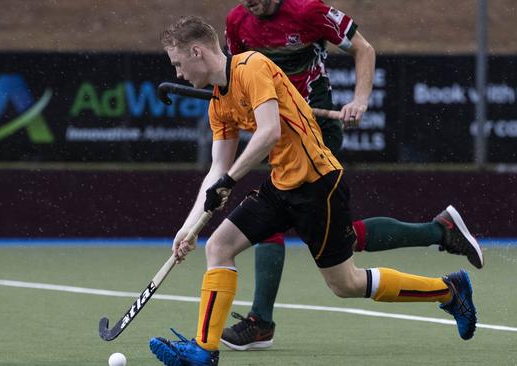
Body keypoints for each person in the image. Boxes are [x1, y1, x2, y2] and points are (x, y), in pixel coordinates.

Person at [149, 15, 477, 366]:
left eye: (178, 64)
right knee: (218, 246)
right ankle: (204, 350)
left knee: (345, 284)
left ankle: (449, 289)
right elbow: (216, 168)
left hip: (318, 184)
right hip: (280, 186)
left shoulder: (252, 66)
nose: (179, 74)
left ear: (197, 51)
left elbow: (269, 132)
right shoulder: (218, 104)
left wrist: (228, 182)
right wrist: (189, 226)